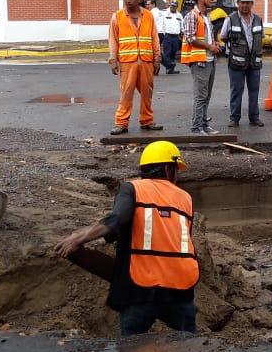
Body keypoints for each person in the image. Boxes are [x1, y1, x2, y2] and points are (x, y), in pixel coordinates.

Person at [55, 141, 199, 336]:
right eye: (176, 170)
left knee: (131, 350)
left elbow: (116, 220)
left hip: (140, 288)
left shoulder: (132, 188)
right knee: (190, 347)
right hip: (181, 287)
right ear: (168, 169)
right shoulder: (186, 198)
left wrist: (79, 238)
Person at [108, 0, 163, 135]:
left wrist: (157, 58)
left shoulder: (148, 16)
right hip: (128, 62)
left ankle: (147, 120)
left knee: (147, 93)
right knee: (126, 93)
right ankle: (121, 123)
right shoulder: (117, 17)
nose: (128, 1)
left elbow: (154, 38)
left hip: (146, 61)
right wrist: (113, 60)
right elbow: (113, 39)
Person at [219, 0, 265, 128]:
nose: (245, 5)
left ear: (252, 4)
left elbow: (260, 39)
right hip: (236, 63)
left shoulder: (258, 20)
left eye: (248, 2)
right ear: (237, 3)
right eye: (242, 2)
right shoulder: (230, 19)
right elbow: (223, 37)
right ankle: (234, 118)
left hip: (254, 63)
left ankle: (254, 117)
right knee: (236, 91)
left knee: (254, 91)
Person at [181, 0, 221, 135]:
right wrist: (210, 47)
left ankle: (204, 124)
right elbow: (191, 38)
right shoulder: (192, 15)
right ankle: (196, 127)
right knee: (200, 95)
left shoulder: (206, 16)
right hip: (199, 61)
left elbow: (206, 37)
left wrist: (214, 44)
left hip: (209, 60)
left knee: (206, 95)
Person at [159, 0, 183, 75]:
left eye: (174, 6)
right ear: (170, 6)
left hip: (176, 37)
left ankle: (171, 69)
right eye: (172, 6)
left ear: (176, 7)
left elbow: (181, 26)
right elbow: (161, 24)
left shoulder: (179, 15)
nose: (173, 7)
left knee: (173, 53)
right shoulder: (165, 13)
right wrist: (162, 35)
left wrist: (182, 33)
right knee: (167, 53)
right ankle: (168, 67)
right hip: (168, 36)